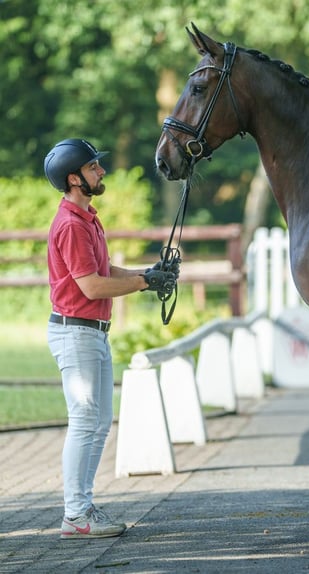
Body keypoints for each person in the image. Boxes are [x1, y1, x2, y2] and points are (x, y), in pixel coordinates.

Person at [44, 138, 177, 539]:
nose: (101, 171)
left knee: (99, 423)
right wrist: (142, 284)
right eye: (93, 168)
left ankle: (81, 508)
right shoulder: (70, 224)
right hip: (77, 331)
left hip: (92, 332)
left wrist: (146, 274)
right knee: (86, 421)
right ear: (74, 179)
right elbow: (91, 287)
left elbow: (104, 269)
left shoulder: (87, 219)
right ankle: (76, 514)